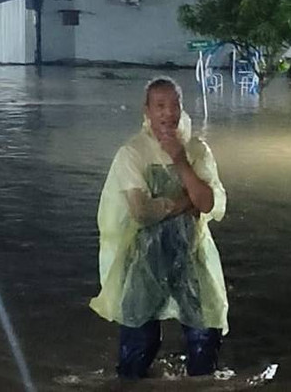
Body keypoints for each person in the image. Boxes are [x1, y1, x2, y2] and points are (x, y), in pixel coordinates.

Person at [90, 77, 228, 379]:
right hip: (143, 259)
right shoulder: (133, 152)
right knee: (139, 345)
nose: (168, 113)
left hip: (191, 254)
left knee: (205, 334)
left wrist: (180, 160)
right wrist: (183, 202)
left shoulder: (195, 150)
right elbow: (141, 212)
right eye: (160, 106)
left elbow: (206, 203)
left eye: (174, 104)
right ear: (147, 110)